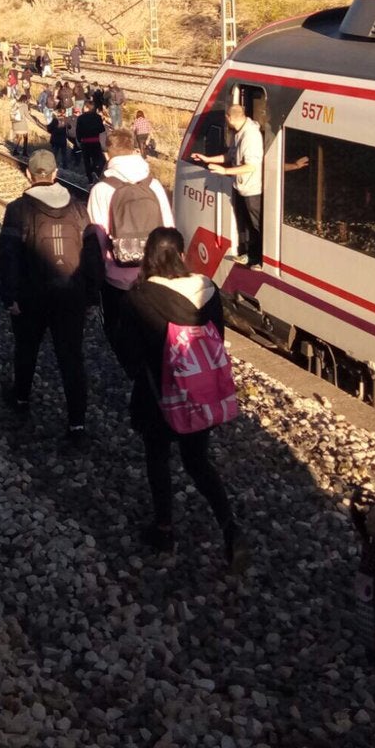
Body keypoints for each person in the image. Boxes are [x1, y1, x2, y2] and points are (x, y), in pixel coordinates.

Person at [115, 227, 248, 569]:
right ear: (180, 253)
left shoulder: (140, 296)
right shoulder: (209, 291)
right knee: (197, 462)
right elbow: (216, 335)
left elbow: (129, 354)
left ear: (150, 256)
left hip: (158, 394)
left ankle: (164, 529)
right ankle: (229, 526)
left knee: (157, 459)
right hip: (199, 393)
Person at [0, 149, 98, 446]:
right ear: (56, 175)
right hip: (71, 295)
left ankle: (21, 398)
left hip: (32, 294)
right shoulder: (80, 208)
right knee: (71, 357)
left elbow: (9, 257)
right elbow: (93, 256)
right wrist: (92, 295)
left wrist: (9, 295)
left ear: (30, 175)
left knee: (26, 348)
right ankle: (77, 423)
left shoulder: (18, 209)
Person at [87, 128, 172, 344]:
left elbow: (97, 237)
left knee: (121, 336)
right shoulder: (153, 184)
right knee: (153, 338)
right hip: (155, 275)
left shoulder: (102, 189)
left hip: (117, 278)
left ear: (107, 155)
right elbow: (169, 227)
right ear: (134, 149)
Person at [191, 103, 264, 268]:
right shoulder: (240, 134)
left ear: (228, 118)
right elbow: (229, 156)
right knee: (244, 223)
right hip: (241, 187)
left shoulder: (250, 136)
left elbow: (252, 166)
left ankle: (259, 258)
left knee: (255, 225)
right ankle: (248, 254)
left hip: (252, 189)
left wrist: (224, 172)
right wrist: (207, 159)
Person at [76, 100, 106, 182]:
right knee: (97, 159)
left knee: (87, 161)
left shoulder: (81, 118)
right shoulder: (98, 117)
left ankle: (90, 179)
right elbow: (102, 129)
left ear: (86, 107)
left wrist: (79, 140)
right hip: (95, 141)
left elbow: (78, 131)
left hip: (85, 142)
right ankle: (95, 172)